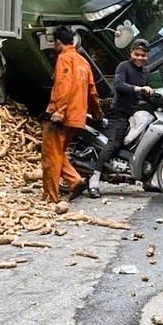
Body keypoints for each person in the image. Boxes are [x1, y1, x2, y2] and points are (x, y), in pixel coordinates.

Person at [42, 25, 102, 204]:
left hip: (63, 115)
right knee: (58, 152)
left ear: (58, 42)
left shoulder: (64, 58)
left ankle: (51, 196)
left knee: (50, 155)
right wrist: (97, 113)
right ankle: (74, 181)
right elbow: (92, 90)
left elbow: (63, 85)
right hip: (77, 116)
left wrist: (58, 111)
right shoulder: (83, 61)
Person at [87, 38, 154, 198]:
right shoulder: (123, 67)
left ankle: (148, 180)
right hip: (118, 112)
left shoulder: (145, 71)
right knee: (115, 143)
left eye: (143, 55)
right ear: (131, 53)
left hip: (134, 113)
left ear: (147, 56)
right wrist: (139, 88)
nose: (139, 58)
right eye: (136, 54)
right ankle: (94, 180)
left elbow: (148, 92)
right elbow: (118, 85)